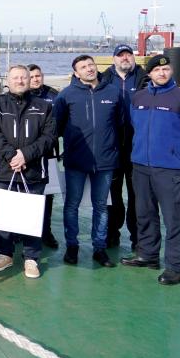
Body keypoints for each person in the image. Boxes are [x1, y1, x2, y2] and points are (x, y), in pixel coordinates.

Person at [121, 54, 180, 285]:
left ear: (171, 71)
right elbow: (135, 126)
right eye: (156, 70)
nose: (162, 73)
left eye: (166, 70)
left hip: (171, 170)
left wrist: (177, 153)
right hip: (142, 166)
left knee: (174, 219)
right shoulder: (138, 98)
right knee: (144, 214)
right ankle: (148, 254)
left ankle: (175, 267)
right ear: (150, 73)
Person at [0, 64, 56, 279]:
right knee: (5, 215)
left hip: (33, 171)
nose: (20, 81)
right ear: (8, 80)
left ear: (30, 80)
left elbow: (49, 137)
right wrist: (11, 156)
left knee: (31, 214)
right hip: (4, 170)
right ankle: (5, 253)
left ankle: (31, 257)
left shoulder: (44, 106)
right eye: (16, 78)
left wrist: (25, 155)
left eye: (24, 77)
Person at [53, 55, 125, 268]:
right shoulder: (66, 95)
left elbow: (120, 123)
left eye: (91, 65)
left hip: (105, 161)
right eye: (83, 67)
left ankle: (99, 248)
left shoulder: (113, 93)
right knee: (71, 205)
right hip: (76, 160)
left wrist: (113, 148)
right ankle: (72, 247)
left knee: (101, 206)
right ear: (76, 73)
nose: (89, 69)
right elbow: (58, 125)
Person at [99, 44, 148, 250]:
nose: (125, 58)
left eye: (128, 54)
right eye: (120, 55)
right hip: (113, 147)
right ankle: (112, 233)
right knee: (113, 194)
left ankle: (138, 238)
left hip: (139, 147)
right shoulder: (103, 80)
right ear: (114, 59)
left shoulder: (145, 79)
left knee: (139, 195)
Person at [28, 63, 60, 249]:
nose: (35, 80)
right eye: (31, 77)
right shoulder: (22, 96)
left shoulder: (53, 96)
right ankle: (22, 231)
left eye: (38, 76)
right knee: (26, 193)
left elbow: (62, 121)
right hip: (28, 154)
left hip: (48, 153)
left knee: (47, 195)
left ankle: (45, 231)